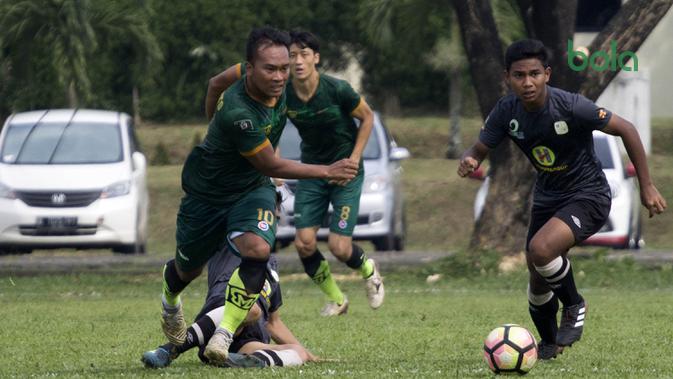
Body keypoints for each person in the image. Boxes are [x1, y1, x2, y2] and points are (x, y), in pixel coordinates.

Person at [159, 26, 358, 366]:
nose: (280, 76)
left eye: (284, 68)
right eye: (271, 69)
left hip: (252, 187)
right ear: (250, 68)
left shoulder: (270, 79)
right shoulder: (240, 114)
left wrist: (211, 121)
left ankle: (224, 334)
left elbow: (213, 83)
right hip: (208, 193)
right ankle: (169, 303)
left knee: (258, 249)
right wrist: (327, 170)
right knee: (186, 270)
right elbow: (270, 161)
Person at [457, 39, 666, 360]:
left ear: (547, 74)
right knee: (537, 274)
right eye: (519, 75)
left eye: (534, 74)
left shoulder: (571, 106)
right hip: (548, 196)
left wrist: (647, 186)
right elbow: (479, 148)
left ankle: (573, 304)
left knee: (540, 250)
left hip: (588, 194)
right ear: (507, 78)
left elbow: (627, 129)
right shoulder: (506, 111)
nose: (527, 82)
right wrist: (471, 159)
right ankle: (550, 343)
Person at [205, 30, 384, 317]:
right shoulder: (283, 93)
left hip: (345, 173)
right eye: (292, 55)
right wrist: (271, 165)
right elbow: (270, 127)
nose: (298, 61)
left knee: (339, 247)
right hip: (313, 171)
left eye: (304, 54)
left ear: (316, 58)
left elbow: (368, 117)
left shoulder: (337, 89)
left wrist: (353, 158)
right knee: (304, 243)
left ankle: (369, 270)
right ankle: (337, 300)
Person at [143, 249, 316, 369]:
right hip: (218, 316)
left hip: (246, 341)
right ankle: (169, 349)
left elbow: (274, 322)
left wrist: (307, 354)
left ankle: (234, 360)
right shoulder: (233, 243)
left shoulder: (271, 264)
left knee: (298, 352)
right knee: (252, 309)